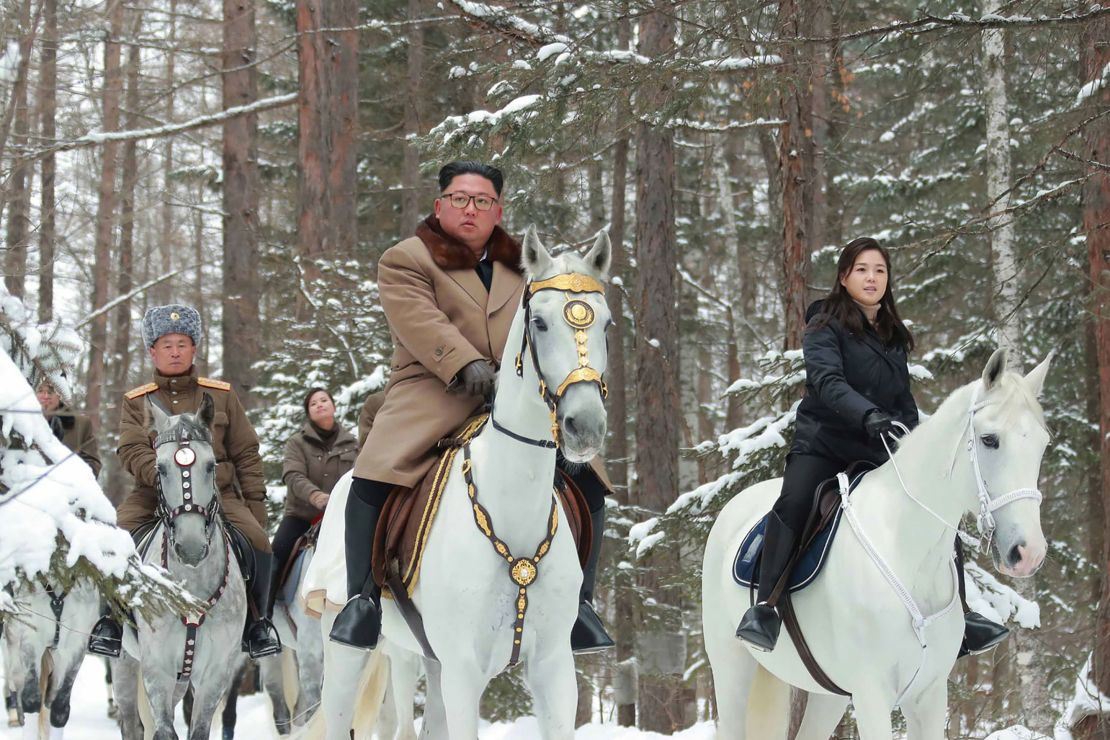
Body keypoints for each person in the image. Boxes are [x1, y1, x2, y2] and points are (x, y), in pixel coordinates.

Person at [330, 161, 614, 653]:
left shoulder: (526, 265)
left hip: (516, 394)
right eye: (460, 198)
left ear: (498, 211)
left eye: (482, 201)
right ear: (440, 205)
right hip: (432, 390)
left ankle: (581, 606)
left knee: (591, 480)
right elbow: (418, 321)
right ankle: (363, 602)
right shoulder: (406, 259)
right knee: (374, 474)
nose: (471, 209)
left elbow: (547, 324)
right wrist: (463, 362)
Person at [734, 237, 1009, 656]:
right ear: (844, 277)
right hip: (824, 443)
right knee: (793, 501)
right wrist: (866, 414)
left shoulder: (893, 335)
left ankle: (963, 615)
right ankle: (766, 608)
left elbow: (902, 399)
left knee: (936, 505)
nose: (872, 278)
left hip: (879, 447)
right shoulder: (823, 324)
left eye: (880, 270)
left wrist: (914, 438)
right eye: (862, 269)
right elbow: (828, 383)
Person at [87, 304, 281, 659]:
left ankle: (258, 624)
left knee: (259, 543)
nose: (174, 351)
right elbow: (131, 448)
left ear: (194, 348)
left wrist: (255, 505)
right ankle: (110, 622)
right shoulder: (138, 401)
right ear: (152, 351)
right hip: (153, 492)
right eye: (166, 344)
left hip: (217, 493)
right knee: (116, 541)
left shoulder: (221, 395)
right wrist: (164, 476)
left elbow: (246, 450)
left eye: (182, 343)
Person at [272, 387, 358, 602]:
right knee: (275, 555)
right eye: (313, 403)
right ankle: (264, 615)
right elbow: (293, 476)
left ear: (333, 406)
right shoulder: (297, 442)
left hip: (340, 516)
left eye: (324, 400)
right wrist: (317, 497)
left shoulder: (353, 444)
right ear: (308, 412)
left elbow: (359, 476)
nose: (319, 404)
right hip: (302, 516)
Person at [36, 379, 101, 477]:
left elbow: (93, 464)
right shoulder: (17, 421)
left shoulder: (81, 424)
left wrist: (72, 479)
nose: (45, 396)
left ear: (59, 394)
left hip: (66, 488)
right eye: (40, 391)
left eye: (50, 392)